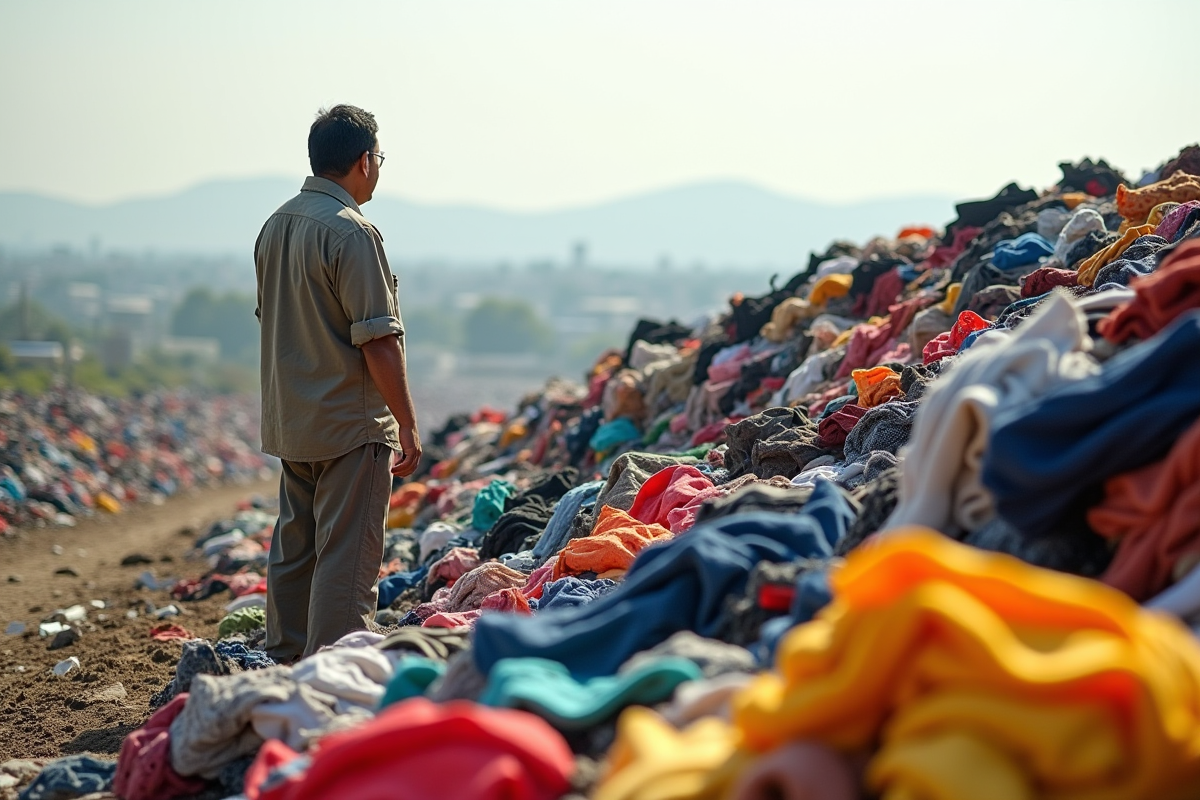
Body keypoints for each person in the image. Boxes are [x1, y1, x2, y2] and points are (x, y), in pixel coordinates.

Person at [254, 104, 422, 662]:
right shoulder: (352, 233)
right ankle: (331, 672)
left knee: (295, 550)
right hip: (350, 423)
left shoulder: (275, 226)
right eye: (378, 158)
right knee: (345, 560)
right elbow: (377, 339)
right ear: (363, 161)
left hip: (294, 421)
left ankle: (283, 662)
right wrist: (406, 423)